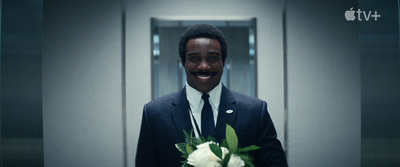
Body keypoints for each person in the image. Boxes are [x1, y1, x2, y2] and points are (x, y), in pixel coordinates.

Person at [136, 24, 287, 167]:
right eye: (194, 58)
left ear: (223, 62)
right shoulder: (154, 114)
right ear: (183, 62)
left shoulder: (255, 111)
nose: (204, 66)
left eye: (213, 58)